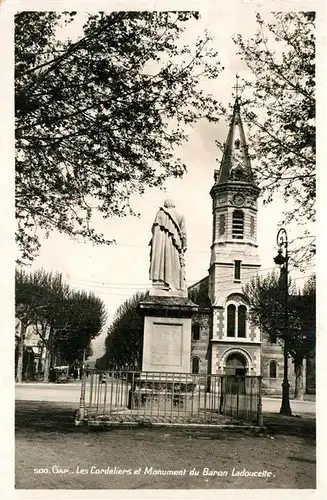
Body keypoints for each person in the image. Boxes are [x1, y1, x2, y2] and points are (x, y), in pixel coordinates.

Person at [149, 199, 187, 291]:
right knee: (173, 262)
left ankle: (159, 281)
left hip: (160, 245)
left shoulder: (159, 214)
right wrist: (184, 245)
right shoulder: (180, 216)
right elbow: (183, 233)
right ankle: (174, 283)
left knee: (160, 260)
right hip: (174, 244)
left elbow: (155, 231)